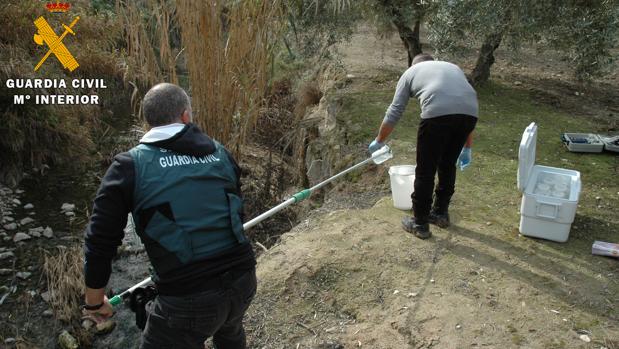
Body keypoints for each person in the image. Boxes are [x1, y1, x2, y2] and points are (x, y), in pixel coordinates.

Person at [82, 83, 257, 349]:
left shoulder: (127, 167)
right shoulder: (221, 153)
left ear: (148, 122)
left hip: (187, 300)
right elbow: (234, 210)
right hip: (244, 280)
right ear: (186, 116)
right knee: (230, 328)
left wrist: (94, 301)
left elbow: (100, 242)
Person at [369, 53, 478, 239]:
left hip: (436, 114)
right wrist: (467, 147)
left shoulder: (411, 72)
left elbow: (395, 111)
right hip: (470, 113)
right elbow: (461, 107)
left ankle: (419, 223)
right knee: (447, 165)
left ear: (414, 65)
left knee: (425, 170)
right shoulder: (452, 68)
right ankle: (440, 213)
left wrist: (379, 140)